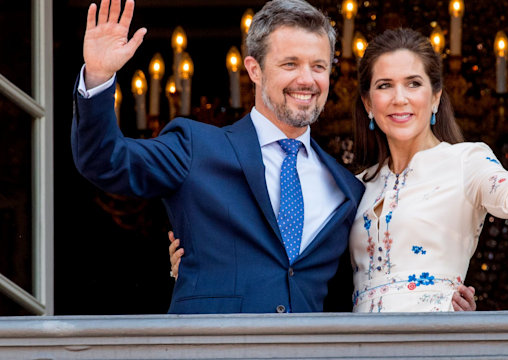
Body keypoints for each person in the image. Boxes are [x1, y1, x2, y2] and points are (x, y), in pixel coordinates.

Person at [75, 0, 476, 314]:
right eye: (290, 64)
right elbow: (105, 161)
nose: (307, 79)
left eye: (319, 66)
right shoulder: (195, 146)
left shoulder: (349, 189)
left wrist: (443, 305)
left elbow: (357, 292)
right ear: (254, 69)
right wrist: (98, 78)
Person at [170, 22, 508, 312]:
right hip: (360, 345)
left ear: (435, 98)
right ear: (367, 104)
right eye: (384, 86)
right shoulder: (355, 186)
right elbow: (299, 263)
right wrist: (205, 257)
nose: (400, 99)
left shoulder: (465, 161)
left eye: (414, 84)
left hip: (435, 342)